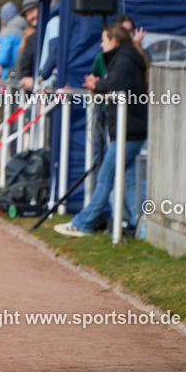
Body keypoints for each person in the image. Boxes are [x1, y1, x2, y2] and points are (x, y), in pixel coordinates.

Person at [54, 22, 148, 237]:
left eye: (103, 40)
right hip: (131, 129)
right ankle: (140, 227)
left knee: (105, 177)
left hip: (128, 130)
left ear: (113, 41)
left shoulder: (124, 59)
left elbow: (117, 84)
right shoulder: (126, 56)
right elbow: (115, 82)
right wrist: (98, 84)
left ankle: (83, 223)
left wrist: (96, 85)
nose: (100, 44)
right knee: (130, 180)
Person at [0, 1, 27, 79]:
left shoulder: (7, 32)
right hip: (22, 73)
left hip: (9, 76)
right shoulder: (25, 28)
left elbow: (3, 59)